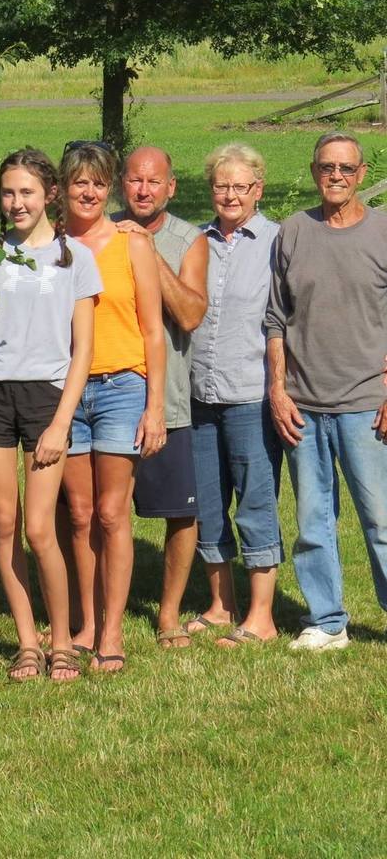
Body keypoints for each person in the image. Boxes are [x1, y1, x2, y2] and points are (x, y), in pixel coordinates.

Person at [0, 148, 100, 682]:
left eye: (27, 193)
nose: (16, 202)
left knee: (40, 530)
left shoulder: (73, 257)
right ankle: (26, 643)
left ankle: (61, 642)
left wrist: (62, 422)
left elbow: (82, 349)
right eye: (8, 193)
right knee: (4, 524)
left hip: (46, 399)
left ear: (49, 196)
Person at [265, 131, 387, 651]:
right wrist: (278, 389)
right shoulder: (292, 232)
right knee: (313, 520)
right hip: (304, 405)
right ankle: (327, 620)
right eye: (326, 167)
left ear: (361, 174)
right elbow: (275, 319)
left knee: (381, 518)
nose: (335, 176)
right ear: (315, 172)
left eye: (345, 168)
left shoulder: (383, 232)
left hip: (367, 404)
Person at [59, 141, 166, 672]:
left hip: (123, 386)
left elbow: (153, 329)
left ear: (109, 189)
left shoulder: (133, 244)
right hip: (66, 393)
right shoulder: (51, 244)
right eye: (80, 181)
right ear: (63, 187)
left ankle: (113, 632)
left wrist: (156, 408)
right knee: (79, 515)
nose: (89, 191)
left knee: (111, 511)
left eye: (99, 183)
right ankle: (85, 622)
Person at [188, 143, 283, 645]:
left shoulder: (277, 240)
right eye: (221, 185)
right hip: (199, 393)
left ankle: (262, 617)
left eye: (240, 186)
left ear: (257, 190)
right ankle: (222, 605)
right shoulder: (195, 240)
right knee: (207, 502)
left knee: (254, 502)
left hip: (252, 394)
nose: (229, 194)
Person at [114, 146, 207, 649]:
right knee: (101, 511)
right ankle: (97, 613)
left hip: (167, 400)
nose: (143, 190)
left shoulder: (188, 239)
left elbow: (191, 314)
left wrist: (148, 253)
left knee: (179, 512)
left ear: (171, 187)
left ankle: (167, 615)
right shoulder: (98, 229)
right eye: (134, 180)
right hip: (103, 396)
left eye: (154, 181)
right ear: (120, 185)